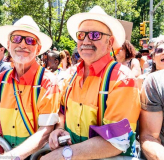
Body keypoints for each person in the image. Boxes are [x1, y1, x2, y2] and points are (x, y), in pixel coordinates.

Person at [42, 6, 140, 160]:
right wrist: (60, 128)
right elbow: (61, 110)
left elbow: (117, 141)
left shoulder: (122, 79)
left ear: (110, 42)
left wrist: (64, 154)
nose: (86, 40)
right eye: (81, 35)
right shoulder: (70, 75)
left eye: (95, 35)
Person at [0, 15, 60, 160]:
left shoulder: (48, 81)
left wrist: (11, 157)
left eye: (30, 40)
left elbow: (45, 130)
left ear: (38, 48)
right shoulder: (0, 80)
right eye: (17, 39)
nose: (23, 45)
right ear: (8, 44)